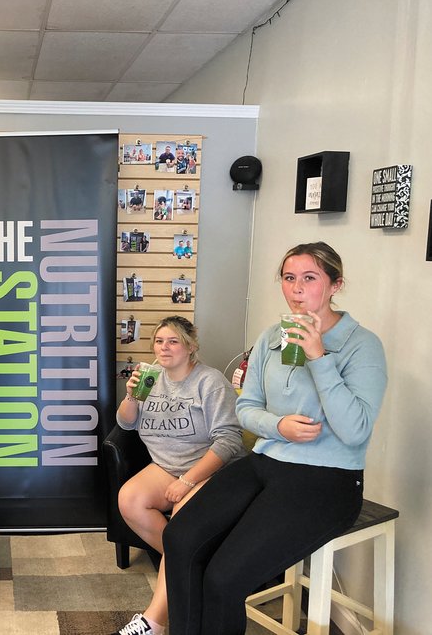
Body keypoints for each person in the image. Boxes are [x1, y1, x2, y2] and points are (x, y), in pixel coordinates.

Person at [162, 242, 387, 634]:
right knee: (180, 538)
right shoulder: (271, 338)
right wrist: (277, 427)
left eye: (310, 278)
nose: (297, 288)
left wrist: (319, 357)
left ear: (335, 285)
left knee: (224, 578)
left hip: (328, 478)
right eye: (289, 278)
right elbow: (245, 407)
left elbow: (355, 431)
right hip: (266, 462)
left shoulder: (362, 345)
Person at [112, 316, 244, 635]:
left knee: (181, 529)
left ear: (191, 346)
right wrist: (131, 397)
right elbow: (126, 424)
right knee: (129, 500)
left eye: (173, 341)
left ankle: (153, 622)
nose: (164, 347)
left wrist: (187, 481)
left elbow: (229, 439)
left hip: (209, 468)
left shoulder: (209, 382)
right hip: (166, 466)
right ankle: (190, 564)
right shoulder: (150, 376)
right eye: (159, 341)